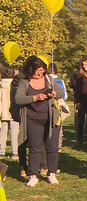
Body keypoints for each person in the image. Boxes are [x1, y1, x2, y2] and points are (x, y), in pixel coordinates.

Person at [15, 56, 64, 187]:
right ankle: (33, 175)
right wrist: (35, 97)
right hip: (32, 119)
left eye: (42, 70)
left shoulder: (49, 80)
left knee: (52, 147)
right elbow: (18, 99)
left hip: (51, 118)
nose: (40, 73)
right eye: (38, 70)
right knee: (35, 148)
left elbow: (61, 93)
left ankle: (52, 173)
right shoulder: (24, 82)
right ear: (31, 69)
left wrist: (53, 94)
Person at [75, 57, 87, 145]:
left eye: (86, 64)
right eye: (83, 65)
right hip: (83, 98)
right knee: (81, 120)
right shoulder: (80, 77)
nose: (84, 66)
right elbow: (78, 90)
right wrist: (77, 101)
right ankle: (79, 139)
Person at [0, 67, 19, 159]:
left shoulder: (1, 85)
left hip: (3, 111)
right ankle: (15, 152)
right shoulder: (15, 84)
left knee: (3, 132)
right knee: (15, 133)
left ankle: (1, 151)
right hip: (13, 112)